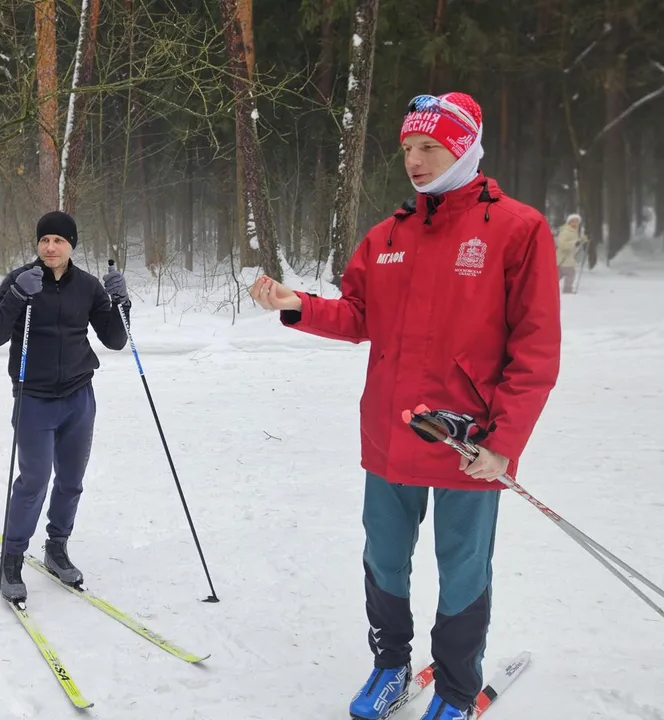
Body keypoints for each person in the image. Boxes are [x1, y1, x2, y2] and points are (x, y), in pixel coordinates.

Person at [250, 92, 560, 720]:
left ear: (465, 146)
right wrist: (296, 303)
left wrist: (504, 442)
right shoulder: (387, 235)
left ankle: (452, 690)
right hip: (391, 437)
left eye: (429, 147)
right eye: (408, 149)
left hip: (467, 445)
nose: (415, 161)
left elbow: (536, 349)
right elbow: (360, 315)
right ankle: (391, 664)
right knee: (383, 557)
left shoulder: (517, 229)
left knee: (463, 568)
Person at [0, 210, 129, 602]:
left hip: (79, 396)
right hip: (34, 398)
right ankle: (12, 558)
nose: (50, 247)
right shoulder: (20, 280)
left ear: (71, 245)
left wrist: (122, 303)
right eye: (44, 239)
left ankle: (56, 547)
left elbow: (114, 339)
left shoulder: (88, 287)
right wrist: (16, 296)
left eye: (58, 240)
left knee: (71, 481)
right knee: (33, 482)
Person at [554, 213, 587, 294]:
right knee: (569, 273)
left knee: (562, 274)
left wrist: (585, 241)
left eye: (577, 221)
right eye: (573, 221)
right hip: (563, 257)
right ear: (569, 222)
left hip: (570, 258)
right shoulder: (566, 231)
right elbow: (561, 244)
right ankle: (567, 289)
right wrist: (574, 243)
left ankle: (548, 286)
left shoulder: (577, 231)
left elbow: (581, 239)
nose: (575, 223)